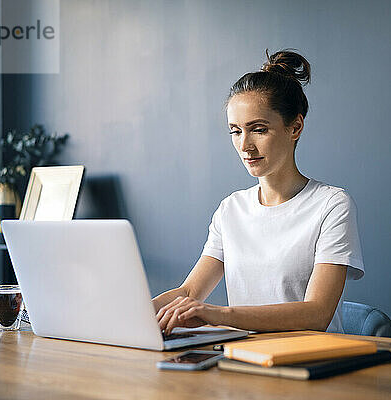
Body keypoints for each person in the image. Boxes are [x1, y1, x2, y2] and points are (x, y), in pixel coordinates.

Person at [153, 49, 364, 335]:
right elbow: (190, 291)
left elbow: (317, 313)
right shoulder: (231, 209)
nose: (245, 146)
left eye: (259, 129)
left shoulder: (331, 205)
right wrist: (128, 315)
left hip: (311, 362)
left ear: (295, 127)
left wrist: (219, 315)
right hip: (244, 359)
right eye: (235, 131)